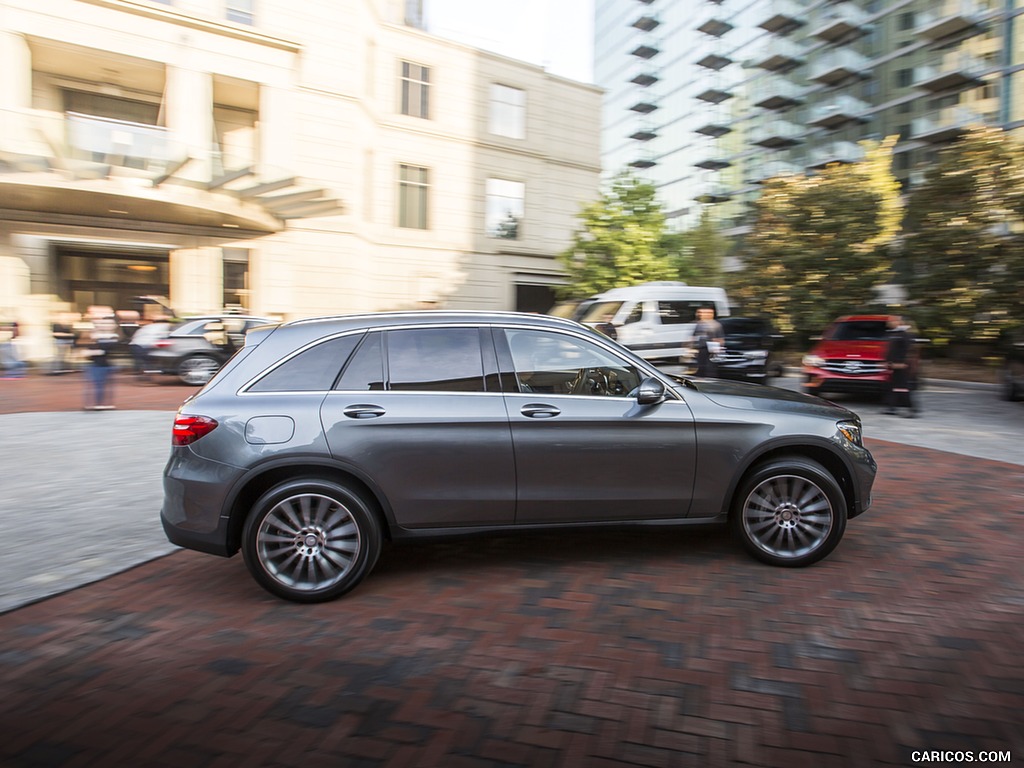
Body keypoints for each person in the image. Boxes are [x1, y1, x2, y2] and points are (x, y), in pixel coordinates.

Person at [884, 314, 918, 418]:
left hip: (902, 366)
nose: (889, 322)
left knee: (903, 388)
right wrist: (888, 362)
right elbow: (892, 350)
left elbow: (909, 351)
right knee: (892, 387)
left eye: (893, 320)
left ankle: (912, 409)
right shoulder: (894, 334)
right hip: (894, 365)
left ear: (900, 322)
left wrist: (903, 363)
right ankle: (892, 408)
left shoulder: (905, 335)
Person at [83, 315, 121, 410]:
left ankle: (103, 403)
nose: (107, 326)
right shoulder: (96, 336)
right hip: (95, 364)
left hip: (107, 364)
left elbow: (108, 348)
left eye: (110, 324)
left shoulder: (113, 336)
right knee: (97, 384)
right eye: (105, 323)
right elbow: (87, 350)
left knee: (106, 385)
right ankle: (94, 403)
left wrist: (96, 351)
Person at [693, 306, 725, 377]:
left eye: (708, 313)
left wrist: (718, 347)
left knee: (710, 367)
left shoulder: (716, 325)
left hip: (712, 349)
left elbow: (721, 339)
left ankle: (711, 380)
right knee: (701, 365)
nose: (701, 314)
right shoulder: (699, 324)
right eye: (701, 313)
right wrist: (689, 345)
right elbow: (694, 335)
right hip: (701, 348)